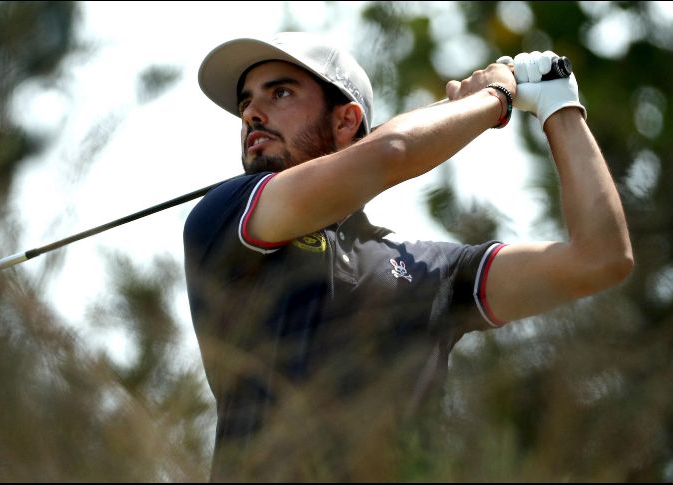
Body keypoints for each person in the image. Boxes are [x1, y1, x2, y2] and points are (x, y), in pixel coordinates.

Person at [183, 32, 633, 481]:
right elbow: (391, 151)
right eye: (246, 102)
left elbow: (600, 259)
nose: (252, 114)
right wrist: (495, 97)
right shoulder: (227, 215)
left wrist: (560, 107)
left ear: (346, 122)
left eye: (280, 93)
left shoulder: (432, 271)